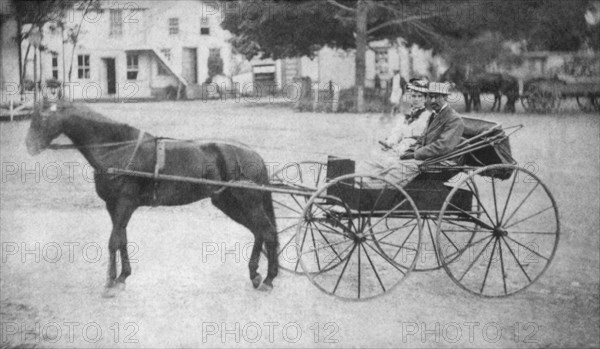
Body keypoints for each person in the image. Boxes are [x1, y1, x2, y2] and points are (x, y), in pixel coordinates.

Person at [400, 82, 465, 161]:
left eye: (436, 97)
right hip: (426, 158)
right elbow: (422, 139)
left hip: (440, 163)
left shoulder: (454, 119)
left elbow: (443, 146)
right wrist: (410, 150)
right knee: (391, 164)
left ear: (445, 97)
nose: (433, 101)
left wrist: (415, 154)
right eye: (431, 97)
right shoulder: (433, 115)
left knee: (395, 171)